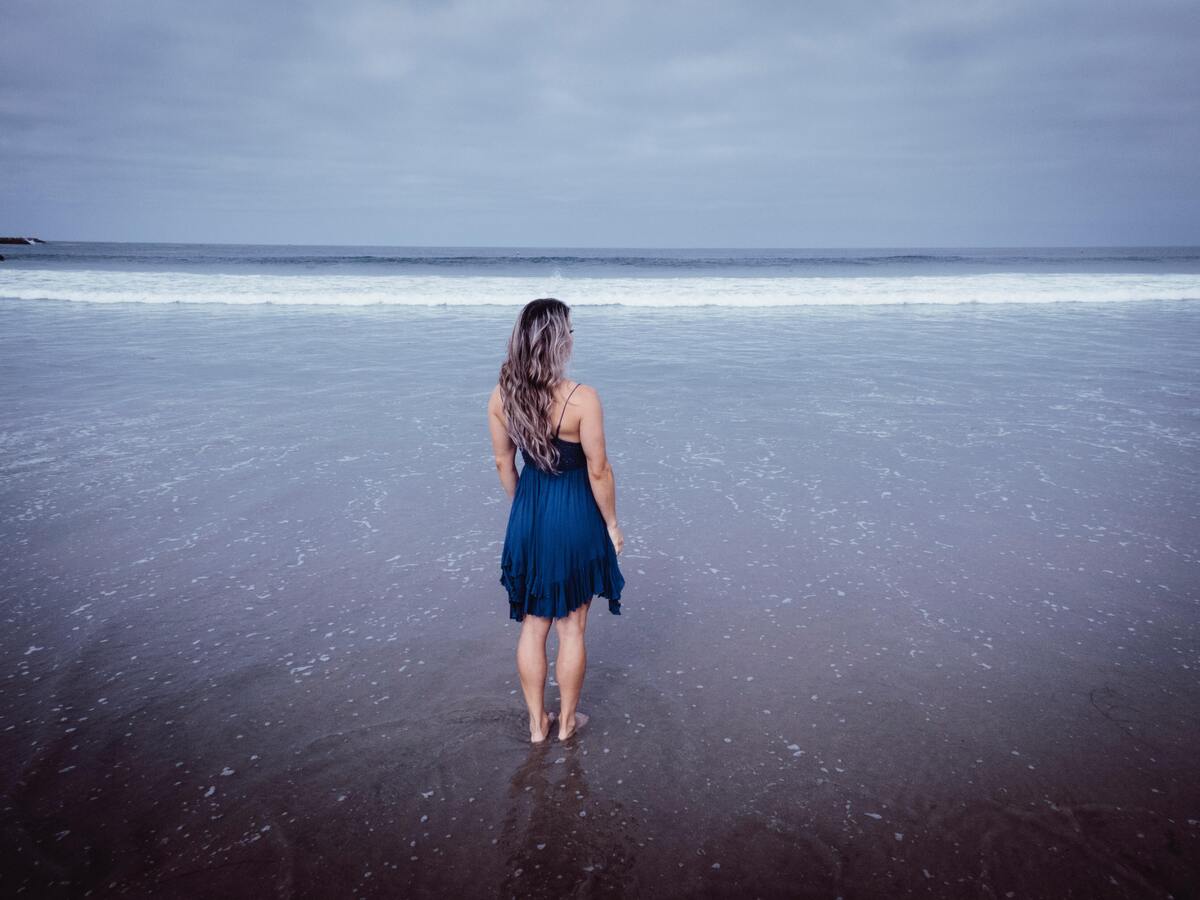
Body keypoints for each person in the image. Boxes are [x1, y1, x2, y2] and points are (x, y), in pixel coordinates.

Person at [488, 298, 625, 744]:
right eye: (570, 330)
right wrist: (612, 525)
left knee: (533, 624)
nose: (573, 336)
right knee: (572, 627)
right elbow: (599, 469)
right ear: (557, 341)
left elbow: (504, 464)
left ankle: (535, 725)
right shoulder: (582, 398)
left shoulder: (502, 396)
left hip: (529, 514)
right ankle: (566, 724)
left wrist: (525, 508)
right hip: (575, 516)